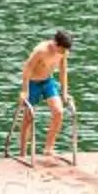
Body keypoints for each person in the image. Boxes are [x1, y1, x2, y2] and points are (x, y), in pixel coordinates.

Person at [15, 31, 75, 167]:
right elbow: (27, 69)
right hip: (33, 82)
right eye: (63, 49)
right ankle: (23, 152)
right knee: (29, 116)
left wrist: (64, 92)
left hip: (48, 82)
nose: (64, 52)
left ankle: (48, 149)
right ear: (56, 44)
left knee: (59, 112)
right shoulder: (40, 50)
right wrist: (24, 90)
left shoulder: (63, 52)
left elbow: (63, 70)